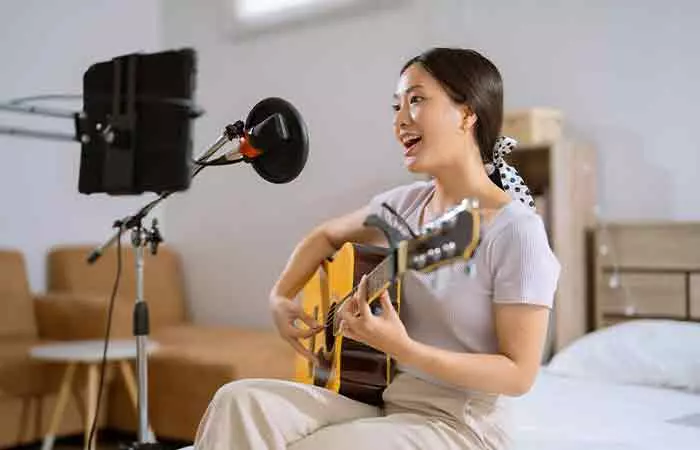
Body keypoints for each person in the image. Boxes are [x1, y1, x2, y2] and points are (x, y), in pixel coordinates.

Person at [194, 47, 560, 450]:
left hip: (462, 426)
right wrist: (280, 296)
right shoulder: (403, 205)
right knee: (238, 402)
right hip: (386, 403)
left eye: (417, 100)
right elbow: (325, 237)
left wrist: (405, 350)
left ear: (467, 114)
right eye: (396, 106)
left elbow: (518, 374)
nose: (400, 120)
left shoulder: (515, 231)